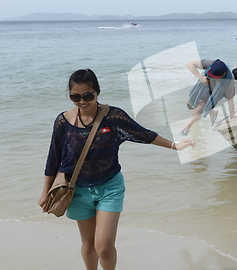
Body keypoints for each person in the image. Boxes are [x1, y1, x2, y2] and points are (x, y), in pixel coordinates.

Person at [38, 69, 195, 270]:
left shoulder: (113, 117)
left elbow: (143, 134)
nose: (82, 101)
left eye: (88, 96)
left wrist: (175, 145)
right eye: (75, 97)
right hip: (76, 190)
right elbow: (54, 158)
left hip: (109, 187)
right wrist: (45, 192)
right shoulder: (63, 121)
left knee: (103, 246)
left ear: (97, 92)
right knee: (88, 243)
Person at [181, 59, 235, 135]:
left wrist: (232, 120)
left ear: (224, 74)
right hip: (206, 84)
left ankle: (188, 126)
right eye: (212, 75)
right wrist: (201, 78)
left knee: (199, 109)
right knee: (189, 103)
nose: (214, 78)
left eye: (216, 77)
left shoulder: (229, 81)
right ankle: (212, 113)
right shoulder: (211, 63)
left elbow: (230, 101)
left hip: (218, 91)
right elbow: (189, 64)